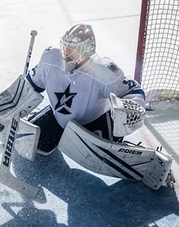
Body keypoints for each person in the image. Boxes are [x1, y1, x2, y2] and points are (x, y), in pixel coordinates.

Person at [24, 22, 146, 154]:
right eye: (65, 47)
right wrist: (13, 109)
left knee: (103, 149)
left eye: (73, 50)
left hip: (94, 123)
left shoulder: (102, 69)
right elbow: (30, 86)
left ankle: (118, 146)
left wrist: (129, 109)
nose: (66, 53)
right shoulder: (51, 58)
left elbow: (133, 91)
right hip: (60, 119)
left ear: (87, 50)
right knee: (30, 143)